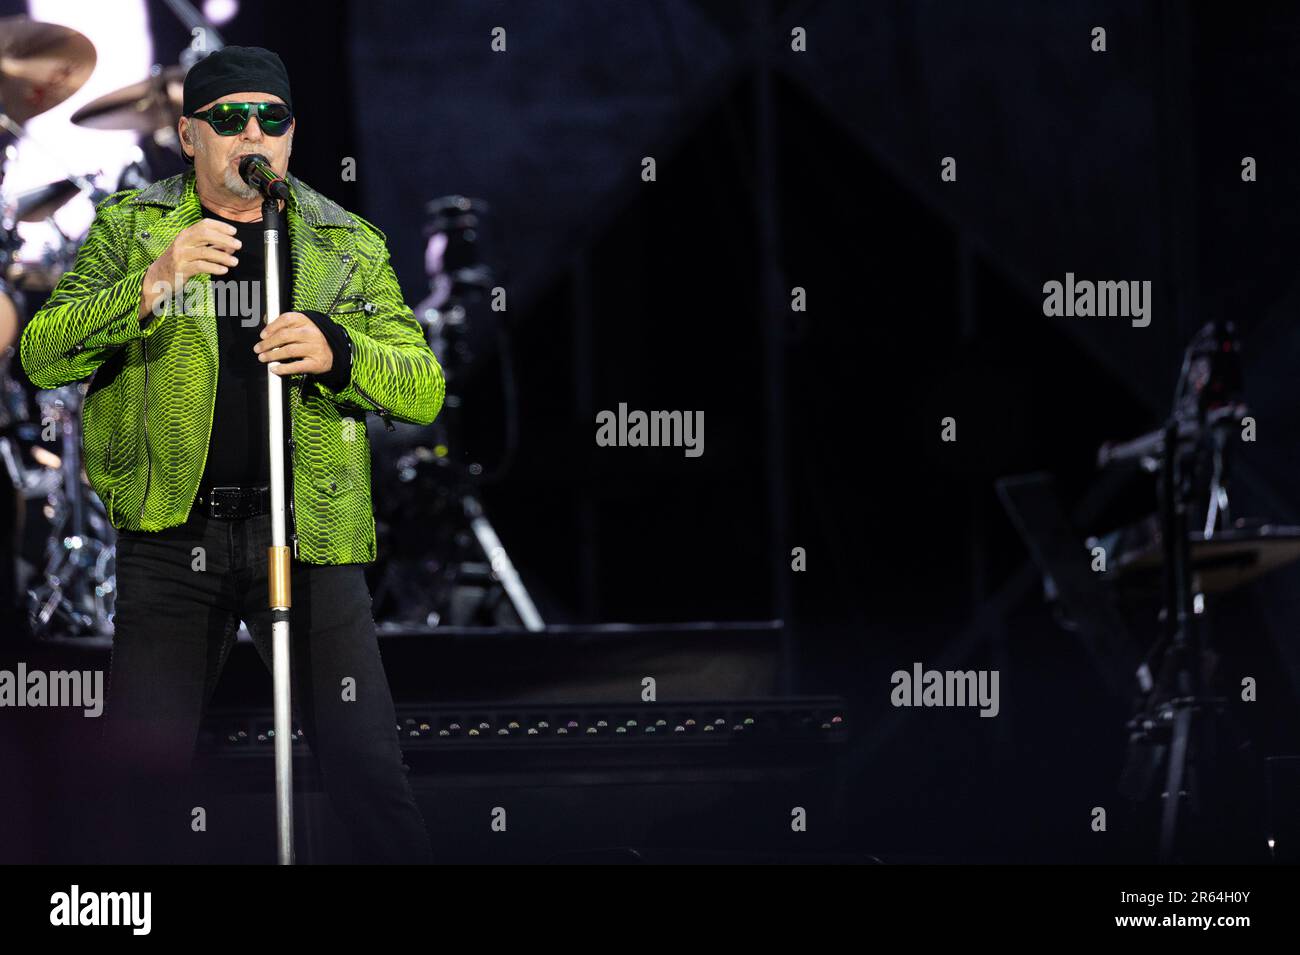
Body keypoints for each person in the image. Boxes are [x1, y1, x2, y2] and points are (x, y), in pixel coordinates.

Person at [19, 46, 443, 863]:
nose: (253, 133)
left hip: (309, 537)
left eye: (271, 118)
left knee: (368, 771)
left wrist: (342, 351)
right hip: (175, 543)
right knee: (135, 789)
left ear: (290, 136)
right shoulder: (135, 227)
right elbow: (42, 355)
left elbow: (422, 387)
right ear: (188, 134)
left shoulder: (342, 241)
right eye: (229, 119)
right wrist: (145, 288)